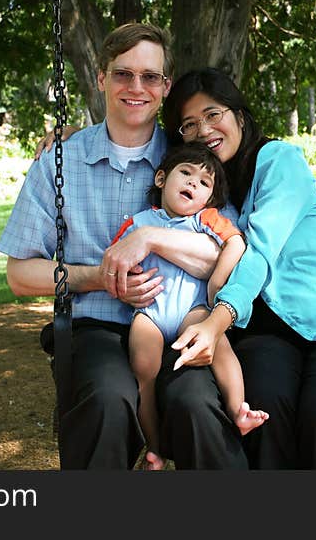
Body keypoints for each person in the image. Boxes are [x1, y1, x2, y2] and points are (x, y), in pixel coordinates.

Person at [0, 24, 249, 470]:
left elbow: (222, 255)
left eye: (150, 77)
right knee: (108, 397)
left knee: (196, 404)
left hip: (178, 323)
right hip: (97, 326)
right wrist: (98, 277)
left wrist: (149, 237)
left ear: (165, 87)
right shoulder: (61, 161)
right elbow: (20, 276)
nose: (136, 87)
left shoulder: (189, 163)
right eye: (122, 74)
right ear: (100, 78)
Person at [149, 67, 316, 469]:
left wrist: (216, 322)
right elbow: (139, 136)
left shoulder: (280, 161)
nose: (204, 129)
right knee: (263, 418)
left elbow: (259, 251)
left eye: (214, 115)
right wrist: (73, 135)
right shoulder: (204, 188)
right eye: (189, 124)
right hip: (267, 336)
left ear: (239, 117)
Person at [112, 142, 268, 469]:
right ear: (161, 179)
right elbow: (115, 260)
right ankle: (154, 447)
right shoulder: (137, 223)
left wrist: (216, 282)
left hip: (192, 310)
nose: (193, 183)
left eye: (204, 182)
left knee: (220, 346)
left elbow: (236, 242)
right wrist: (130, 279)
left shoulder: (204, 220)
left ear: (208, 199)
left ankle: (239, 408)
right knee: (144, 374)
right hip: (150, 312)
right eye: (186, 173)